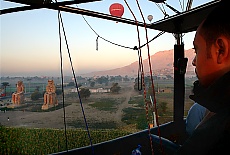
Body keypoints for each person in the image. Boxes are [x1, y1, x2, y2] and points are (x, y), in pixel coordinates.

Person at [175, 0, 230, 154]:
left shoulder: (218, 131)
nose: (193, 62)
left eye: (196, 50)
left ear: (220, 50)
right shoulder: (217, 111)